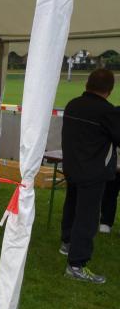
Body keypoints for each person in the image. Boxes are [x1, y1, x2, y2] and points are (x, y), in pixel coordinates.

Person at [60, 68, 120, 284]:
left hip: (73, 166)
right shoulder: (107, 112)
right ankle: (76, 264)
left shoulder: (72, 104)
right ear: (110, 90)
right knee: (87, 217)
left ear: (87, 84)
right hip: (93, 171)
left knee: (72, 206)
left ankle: (67, 243)